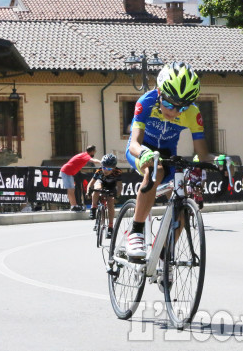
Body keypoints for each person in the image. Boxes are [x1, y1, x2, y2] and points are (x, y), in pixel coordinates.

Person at [125, 61, 229, 258]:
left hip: (167, 154)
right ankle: (136, 232)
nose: (174, 112)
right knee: (156, 171)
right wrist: (145, 154)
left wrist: (220, 160)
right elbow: (133, 144)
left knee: (183, 200)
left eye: (182, 107)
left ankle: (165, 254)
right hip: (141, 150)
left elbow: (203, 154)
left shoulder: (193, 113)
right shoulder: (146, 102)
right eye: (169, 104)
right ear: (159, 92)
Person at [86, 153, 123, 240]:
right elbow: (90, 183)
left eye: (109, 168)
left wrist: (117, 195)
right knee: (97, 187)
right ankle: (93, 207)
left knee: (110, 202)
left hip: (111, 186)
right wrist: (88, 191)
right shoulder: (99, 171)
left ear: (113, 168)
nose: (105, 170)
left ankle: (110, 227)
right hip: (101, 183)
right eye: (104, 167)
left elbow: (120, 186)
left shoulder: (118, 172)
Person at [60, 145, 102, 211]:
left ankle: (74, 205)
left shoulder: (84, 154)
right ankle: (73, 206)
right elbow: (93, 160)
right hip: (67, 171)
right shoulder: (86, 156)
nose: (95, 152)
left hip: (68, 172)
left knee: (71, 189)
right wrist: (101, 162)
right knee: (71, 189)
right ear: (92, 151)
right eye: (95, 151)